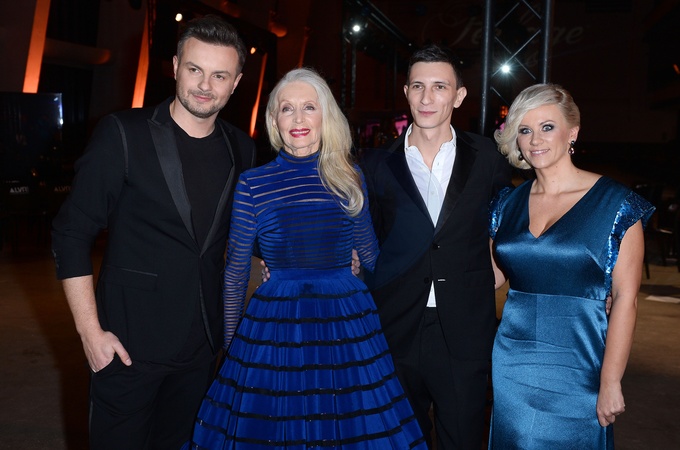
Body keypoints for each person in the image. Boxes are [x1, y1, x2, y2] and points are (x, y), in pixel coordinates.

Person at [184, 68, 427, 449]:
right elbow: (235, 272)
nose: (298, 118)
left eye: (309, 107)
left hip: (347, 326)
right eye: (287, 108)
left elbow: (371, 256)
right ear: (274, 120)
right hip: (276, 325)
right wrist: (232, 349)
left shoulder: (349, 178)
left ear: (324, 116)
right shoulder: (253, 184)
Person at [50, 15, 256, 449]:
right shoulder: (123, 134)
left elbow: (245, 235)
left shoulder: (242, 147)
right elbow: (71, 233)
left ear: (236, 83)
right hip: (127, 347)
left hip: (202, 349)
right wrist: (90, 333)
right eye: (195, 69)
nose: (205, 85)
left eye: (219, 75)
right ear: (176, 66)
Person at [359, 44, 513, 449]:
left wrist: (501, 266)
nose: (427, 97)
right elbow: (364, 235)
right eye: (418, 86)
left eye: (440, 87)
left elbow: (511, 219)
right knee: (400, 439)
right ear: (406, 92)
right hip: (395, 325)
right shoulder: (375, 163)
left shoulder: (488, 157)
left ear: (458, 96)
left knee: (462, 437)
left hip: (464, 327)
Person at [488, 83, 655, 448]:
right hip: (513, 361)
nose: (535, 140)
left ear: (573, 132)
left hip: (581, 362)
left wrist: (611, 381)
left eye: (547, 127)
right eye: (525, 130)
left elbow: (625, 299)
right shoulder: (507, 203)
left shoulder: (616, 204)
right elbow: (491, 277)